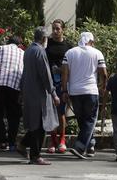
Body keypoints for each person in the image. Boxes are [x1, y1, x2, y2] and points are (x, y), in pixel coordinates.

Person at [17, 27, 59, 165]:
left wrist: (22, 91)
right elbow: (45, 75)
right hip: (39, 94)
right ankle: (35, 156)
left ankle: (23, 144)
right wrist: (53, 93)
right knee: (40, 125)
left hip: (30, 92)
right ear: (43, 39)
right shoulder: (40, 51)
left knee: (35, 124)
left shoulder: (28, 50)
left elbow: (25, 73)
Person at [62, 31, 107, 158]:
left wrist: (65, 91)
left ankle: (91, 145)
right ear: (91, 41)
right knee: (90, 119)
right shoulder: (97, 52)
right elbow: (103, 73)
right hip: (90, 91)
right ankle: (80, 146)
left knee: (82, 120)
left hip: (74, 92)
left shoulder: (69, 53)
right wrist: (103, 87)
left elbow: (64, 74)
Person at [45, 19, 73, 153]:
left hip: (62, 83)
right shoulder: (47, 44)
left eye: (58, 29)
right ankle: (52, 140)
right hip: (49, 82)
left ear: (63, 30)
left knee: (61, 112)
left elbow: (72, 67)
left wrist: (62, 71)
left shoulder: (69, 47)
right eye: (53, 29)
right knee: (50, 112)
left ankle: (62, 140)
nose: (55, 31)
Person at [0, 35, 24, 151]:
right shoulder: (22, 53)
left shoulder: (0, 48)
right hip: (14, 86)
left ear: (8, 42)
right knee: (14, 116)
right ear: (19, 44)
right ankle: (11, 143)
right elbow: (23, 72)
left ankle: (1, 142)